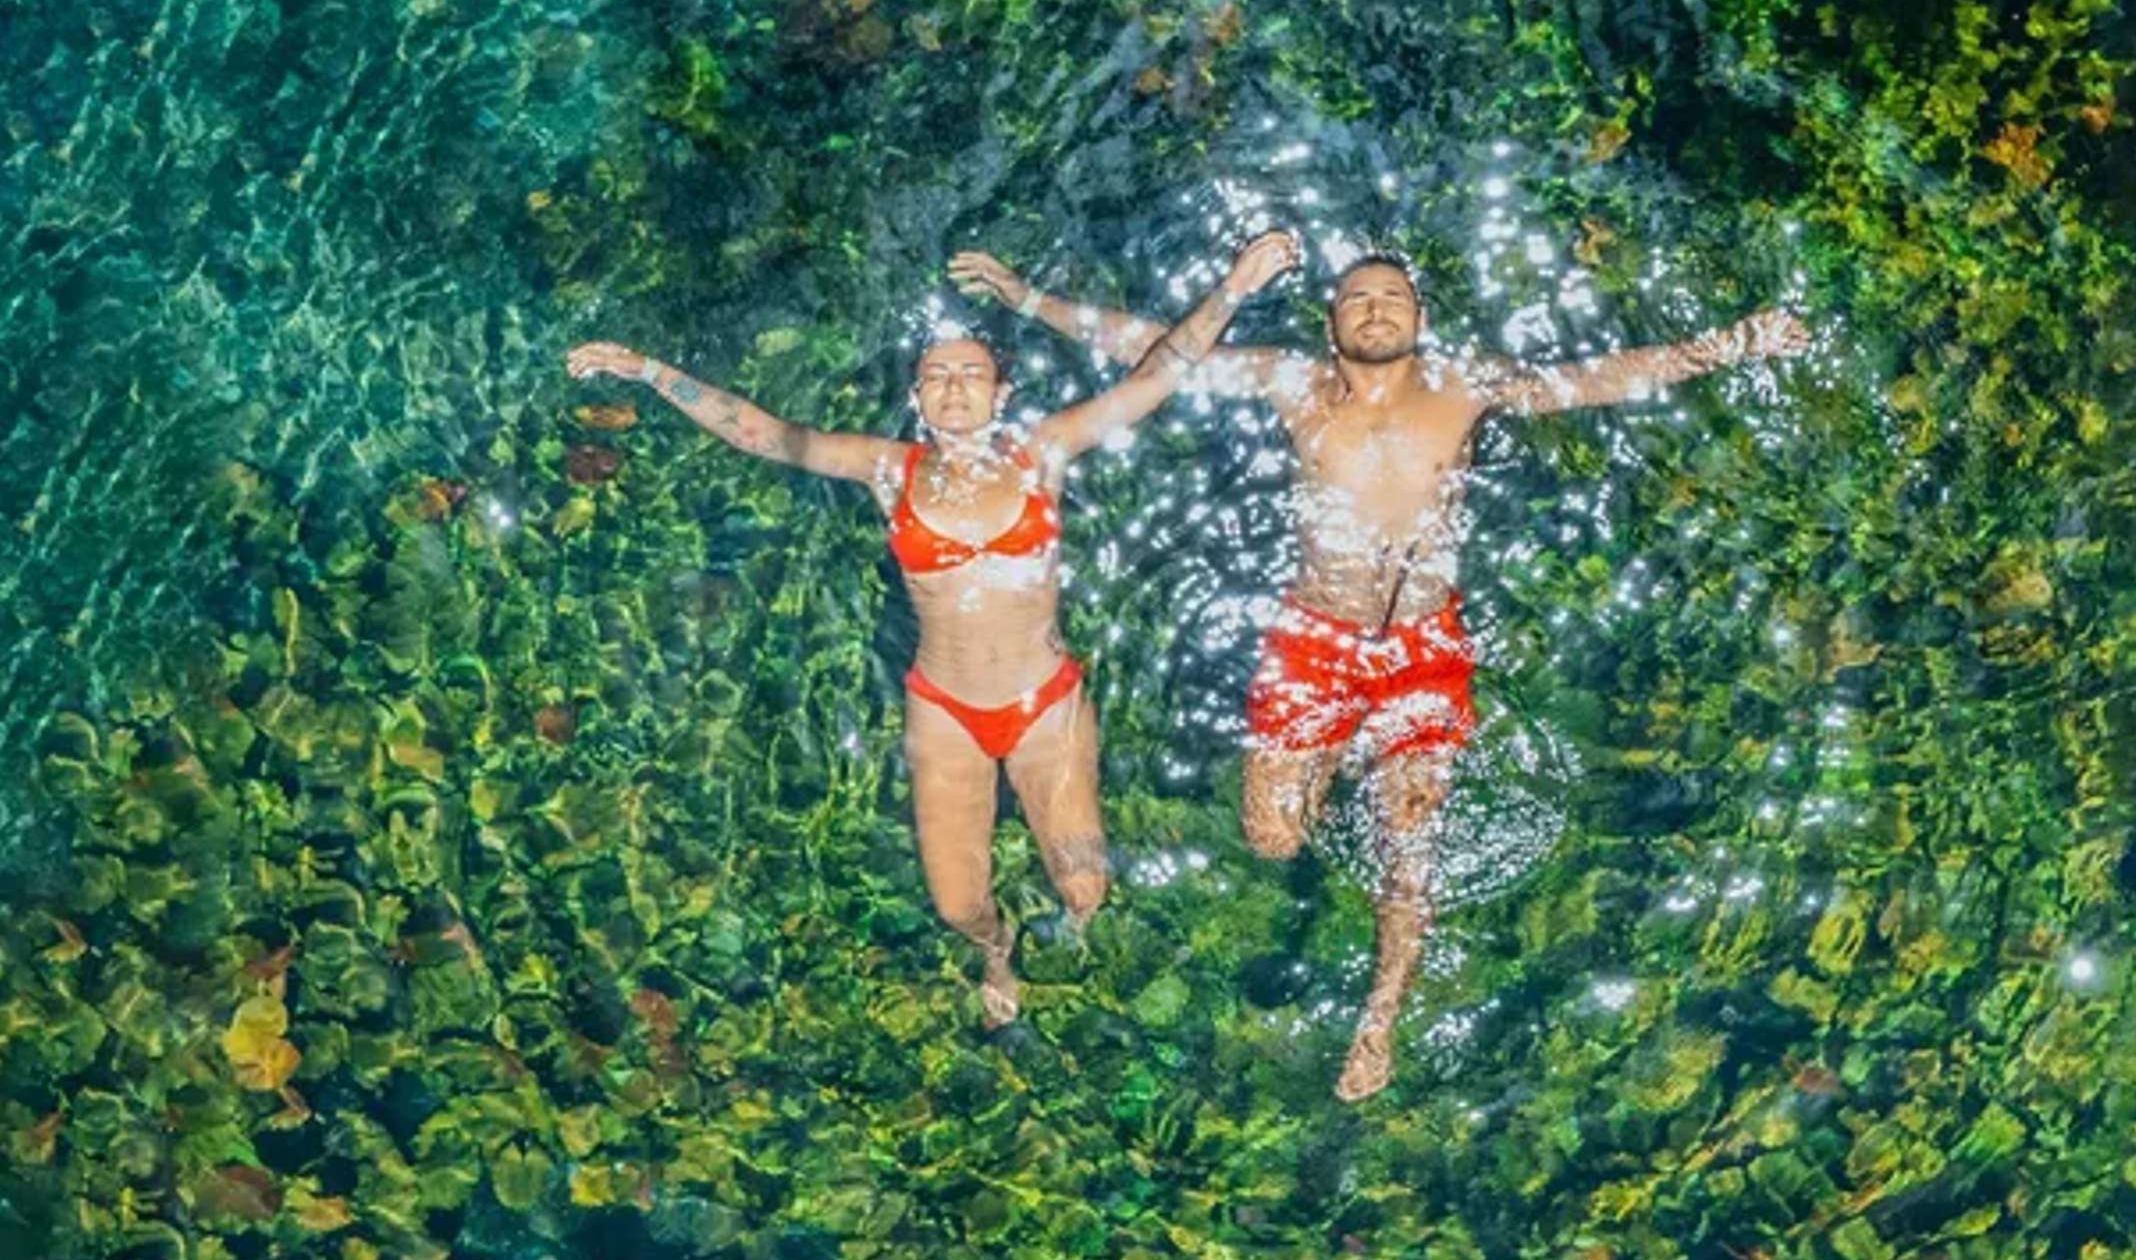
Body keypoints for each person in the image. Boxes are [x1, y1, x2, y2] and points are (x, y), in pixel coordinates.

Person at [951, 243, 1807, 1099]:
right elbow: (1152, 347)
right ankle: (1343, 757)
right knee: (1274, 838)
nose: (1374, 310)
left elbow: (1595, 378)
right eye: (1356, 299)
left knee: (1411, 850)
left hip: (1422, 650)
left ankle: (1378, 1020)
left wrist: (1731, 345)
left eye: (1392, 297)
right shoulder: (1294, 384)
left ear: (1419, 319)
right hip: (1312, 638)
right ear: (1331, 325)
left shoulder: (1463, 386)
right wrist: (1024, 297)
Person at [567, 228, 1302, 1027]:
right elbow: (762, 433)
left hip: (1045, 704)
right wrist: (645, 370)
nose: (954, 387)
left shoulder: (1042, 453)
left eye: (971, 374)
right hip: (945, 710)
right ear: (917, 399)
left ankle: (1078, 938)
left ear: (1002, 393)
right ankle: (998, 949)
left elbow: (1161, 372)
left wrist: (1233, 288)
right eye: (936, 376)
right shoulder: (891, 470)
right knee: (957, 905)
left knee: (1086, 886)